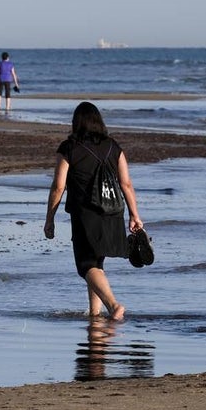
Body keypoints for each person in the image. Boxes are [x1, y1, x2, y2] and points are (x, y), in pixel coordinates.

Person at [43, 101, 144, 320]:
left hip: (85, 214)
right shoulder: (113, 146)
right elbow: (126, 184)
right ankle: (95, 314)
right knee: (96, 263)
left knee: (85, 265)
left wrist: (49, 218)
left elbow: (59, 186)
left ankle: (113, 305)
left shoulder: (69, 148)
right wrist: (135, 215)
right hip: (112, 212)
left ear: (76, 123)